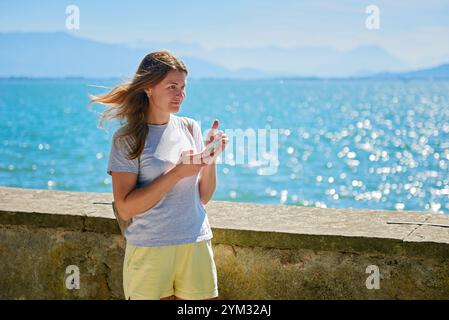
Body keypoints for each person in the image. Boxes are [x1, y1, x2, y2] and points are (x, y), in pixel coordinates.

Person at [90, 50, 229, 300]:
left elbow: (203, 197)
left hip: (195, 242)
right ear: (149, 88)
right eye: (172, 86)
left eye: (183, 86)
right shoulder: (127, 138)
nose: (180, 94)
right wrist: (176, 173)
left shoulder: (190, 127)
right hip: (150, 250)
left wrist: (210, 159)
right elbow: (125, 209)